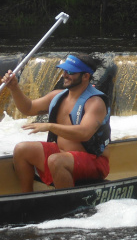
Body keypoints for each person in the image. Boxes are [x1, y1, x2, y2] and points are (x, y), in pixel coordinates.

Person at [1, 53, 111, 192]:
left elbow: (84, 133)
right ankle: (27, 198)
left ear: (85, 76)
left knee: (56, 160)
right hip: (62, 154)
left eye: (71, 72)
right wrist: (14, 88)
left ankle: (66, 204)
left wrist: (50, 126)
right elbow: (28, 108)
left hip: (94, 162)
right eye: (64, 70)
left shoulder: (95, 102)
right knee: (21, 150)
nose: (65, 75)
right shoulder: (57, 96)